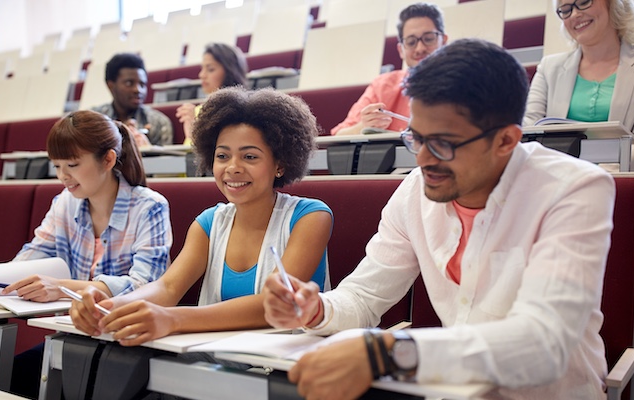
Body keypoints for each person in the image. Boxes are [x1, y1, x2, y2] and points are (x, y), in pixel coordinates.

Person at [263, 38, 615, 399]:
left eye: (443, 143)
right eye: (416, 138)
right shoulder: (415, 190)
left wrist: (388, 353)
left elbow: (544, 342)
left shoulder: (573, 189)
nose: (423, 159)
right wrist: (317, 308)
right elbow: (366, 295)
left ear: (506, 140)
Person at [69, 87, 332, 347]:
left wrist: (173, 319)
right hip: (215, 363)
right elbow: (168, 288)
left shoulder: (311, 217)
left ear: (280, 164)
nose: (232, 168)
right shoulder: (208, 222)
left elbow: (271, 304)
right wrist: (106, 305)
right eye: (222, 156)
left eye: (250, 156)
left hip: (288, 366)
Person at [0, 109, 173, 397]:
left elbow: (145, 285)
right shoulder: (65, 203)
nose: (62, 176)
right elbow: (34, 254)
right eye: (56, 166)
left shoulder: (150, 206)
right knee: (12, 379)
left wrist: (62, 289)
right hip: (75, 336)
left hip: (129, 343)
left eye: (72, 164)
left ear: (108, 159)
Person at [522, 0, 634, 167]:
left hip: (621, 182)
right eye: (565, 10)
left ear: (612, 4)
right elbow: (528, 131)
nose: (575, 14)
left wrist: (595, 177)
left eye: (584, 2)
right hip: (555, 179)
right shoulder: (549, 68)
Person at [330, 3, 448, 136]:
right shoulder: (383, 86)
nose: (420, 48)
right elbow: (339, 135)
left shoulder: (464, 83)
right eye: (411, 42)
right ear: (401, 50)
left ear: (443, 42)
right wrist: (363, 126)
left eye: (428, 39)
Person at [93, 53, 174, 146]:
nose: (137, 90)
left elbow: (166, 160)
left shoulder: (159, 122)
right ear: (111, 85)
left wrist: (147, 149)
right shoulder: (95, 121)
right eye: (129, 83)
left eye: (142, 84)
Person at [176, 43, 248, 145]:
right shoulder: (197, 111)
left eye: (210, 69)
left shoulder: (244, 110)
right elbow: (189, 156)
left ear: (229, 72)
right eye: (202, 68)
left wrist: (196, 132)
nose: (201, 75)